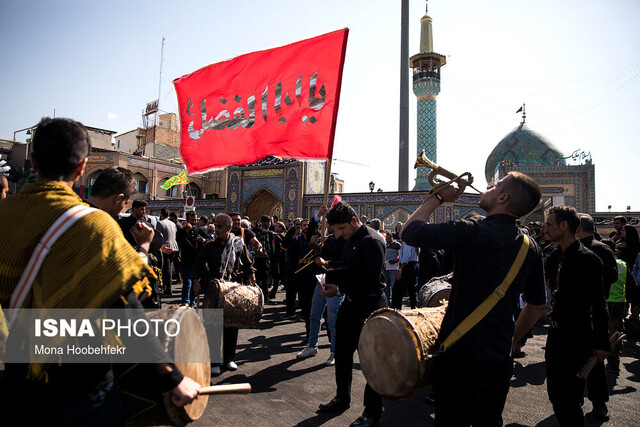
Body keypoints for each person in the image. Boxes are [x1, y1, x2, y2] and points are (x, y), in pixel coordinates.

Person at [0, 117, 199, 425]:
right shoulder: (94, 226)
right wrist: (171, 376)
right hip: (79, 389)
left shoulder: (6, 215)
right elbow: (126, 310)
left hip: (15, 376)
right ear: (82, 167)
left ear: (34, 160)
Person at [401, 171, 547, 426]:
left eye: (496, 184)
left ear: (502, 197)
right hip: (498, 360)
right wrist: (512, 338)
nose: (488, 186)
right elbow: (536, 304)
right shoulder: (529, 245)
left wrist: (437, 197)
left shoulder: (473, 229)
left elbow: (411, 231)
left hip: (459, 357)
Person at [319, 201, 387, 427]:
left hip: (371, 306)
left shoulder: (372, 241)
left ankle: (372, 411)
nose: (339, 234)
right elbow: (351, 269)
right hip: (351, 303)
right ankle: (342, 397)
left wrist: (338, 287)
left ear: (354, 221)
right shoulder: (349, 240)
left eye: (341, 229)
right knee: (342, 351)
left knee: (372, 361)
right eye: (335, 230)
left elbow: (369, 279)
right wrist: (331, 275)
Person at [544, 205, 610, 425]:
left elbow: (599, 305)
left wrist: (601, 343)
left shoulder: (588, 259)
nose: (545, 229)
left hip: (577, 336)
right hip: (555, 335)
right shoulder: (553, 257)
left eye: (548, 225)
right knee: (555, 392)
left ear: (563, 226)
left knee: (570, 397)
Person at [193, 214, 256, 375]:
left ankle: (229, 358)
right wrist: (196, 282)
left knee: (231, 324)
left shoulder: (238, 245)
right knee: (213, 326)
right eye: (215, 225)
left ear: (228, 228)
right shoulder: (209, 246)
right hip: (213, 289)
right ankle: (214, 361)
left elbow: (248, 264)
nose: (216, 229)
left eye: (220, 226)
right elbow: (198, 264)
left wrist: (252, 280)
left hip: (232, 289)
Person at [576, 213, 618, 420]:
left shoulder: (598, 250)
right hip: (576, 315)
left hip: (593, 313)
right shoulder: (571, 249)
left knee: (594, 360)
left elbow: (611, 277)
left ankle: (598, 403)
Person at [176, 211, 209, 307]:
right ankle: (185, 302)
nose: (194, 222)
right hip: (186, 261)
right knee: (187, 283)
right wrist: (186, 232)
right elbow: (182, 243)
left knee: (195, 283)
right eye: (192, 220)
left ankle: (192, 302)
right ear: (187, 220)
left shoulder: (199, 230)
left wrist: (203, 241)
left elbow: (208, 240)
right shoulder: (181, 231)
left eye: (195, 220)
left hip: (197, 262)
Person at [156, 208, 179, 297]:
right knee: (168, 268)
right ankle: (167, 287)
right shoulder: (173, 224)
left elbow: (159, 236)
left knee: (165, 269)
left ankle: (167, 288)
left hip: (165, 247)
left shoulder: (160, 223)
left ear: (161, 214)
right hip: (174, 247)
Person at [383, 232, 401, 304]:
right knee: (386, 286)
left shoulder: (397, 245)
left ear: (392, 237)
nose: (387, 240)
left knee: (393, 286)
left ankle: (395, 301)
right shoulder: (385, 244)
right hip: (385, 268)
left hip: (393, 268)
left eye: (389, 238)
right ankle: (388, 301)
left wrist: (395, 261)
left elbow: (401, 256)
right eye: (386, 239)